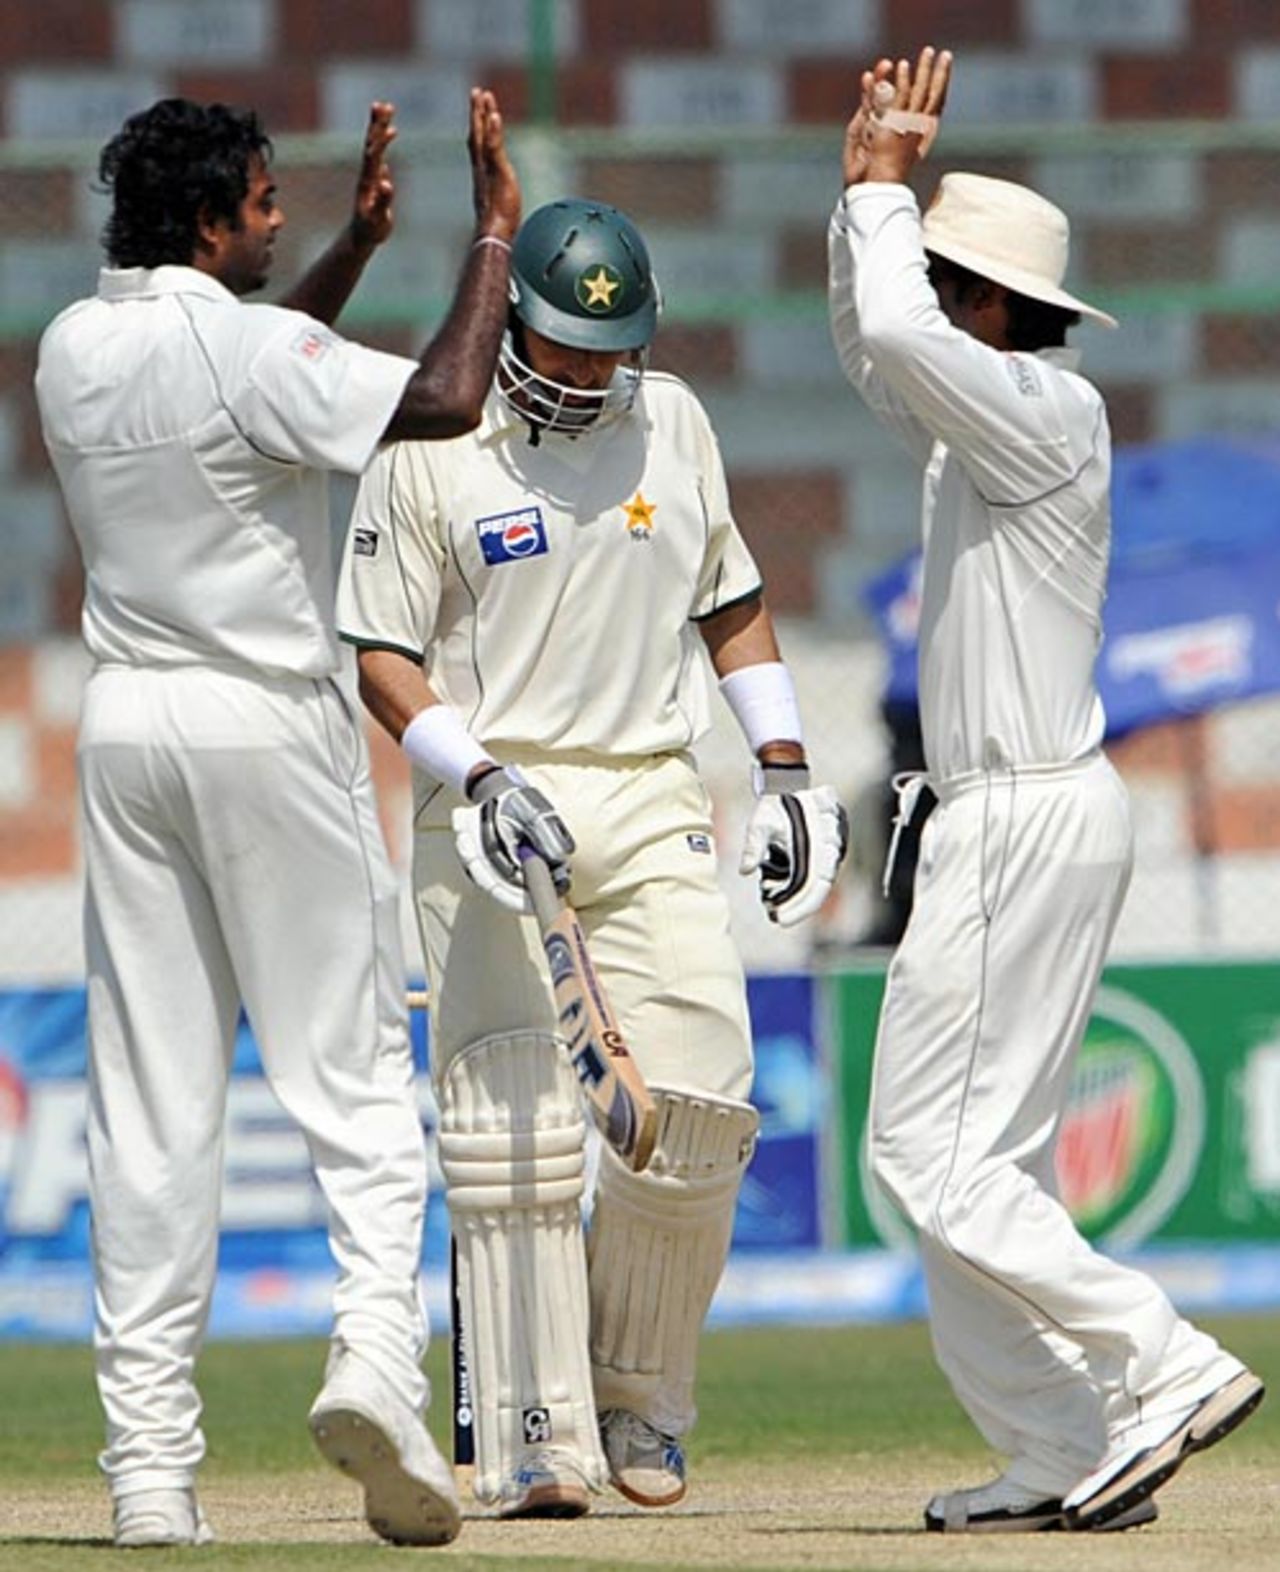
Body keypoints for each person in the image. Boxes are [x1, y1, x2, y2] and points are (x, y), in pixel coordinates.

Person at [34, 86, 521, 1549]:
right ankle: (373, 1356)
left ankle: (148, 1480)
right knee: (358, 1081)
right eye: (261, 204)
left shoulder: (73, 345)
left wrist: (355, 256)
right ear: (205, 221)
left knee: (151, 1110)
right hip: (265, 720)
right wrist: (488, 233)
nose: (280, 218)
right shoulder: (247, 346)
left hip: (124, 726)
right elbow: (437, 401)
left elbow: (257, 379)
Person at [336, 197, 848, 1518]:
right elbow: (380, 653)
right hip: (493, 813)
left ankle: (639, 1403)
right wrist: (481, 774)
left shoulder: (673, 422)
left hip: (650, 793)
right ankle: (530, 1432)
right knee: (512, 1139)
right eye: (561, 349)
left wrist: (785, 763)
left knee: (700, 1115)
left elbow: (728, 597)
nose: (586, 377)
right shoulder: (435, 445)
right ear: (512, 330)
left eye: (606, 354)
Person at [827, 46, 1264, 1535]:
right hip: (1012, 815)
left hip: (1019, 815)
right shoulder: (981, 426)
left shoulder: (1039, 414)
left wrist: (890, 203)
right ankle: (1065, 1446)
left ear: (1004, 311)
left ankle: (1163, 1361)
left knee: (921, 1154)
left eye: (956, 282)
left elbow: (898, 324)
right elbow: (876, 335)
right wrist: (859, 204)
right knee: (973, 1166)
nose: (937, 301)